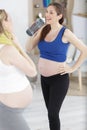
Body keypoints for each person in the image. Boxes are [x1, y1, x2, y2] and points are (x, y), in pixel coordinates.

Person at [26, 2, 87, 130]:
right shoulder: (43, 28)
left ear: (59, 16)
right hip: (44, 79)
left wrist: (72, 68)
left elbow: (84, 50)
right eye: (47, 12)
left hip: (59, 79)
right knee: (51, 114)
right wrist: (33, 31)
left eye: (51, 12)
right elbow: (28, 47)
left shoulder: (65, 32)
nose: (47, 15)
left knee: (53, 113)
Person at [0, 9, 37, 130]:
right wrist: (18, 45)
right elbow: (32, 71)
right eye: (10, 20)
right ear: (4, 23)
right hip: (7, 109)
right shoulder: (7, 50)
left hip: (10, 106)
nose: (12, 23)